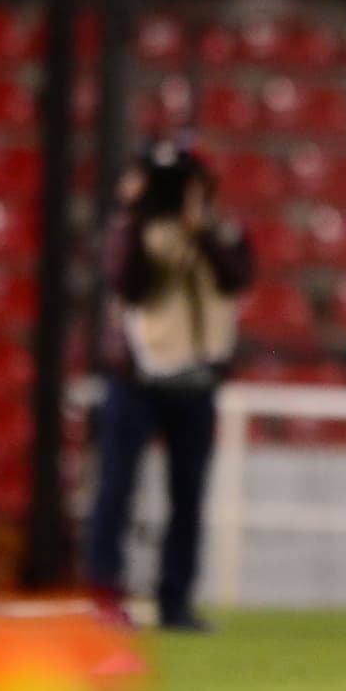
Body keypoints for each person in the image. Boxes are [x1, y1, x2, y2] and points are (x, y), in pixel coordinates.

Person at [85, 137, 254, 632]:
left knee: (188, 495)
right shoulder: (132, 230)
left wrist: (200, 232)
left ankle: (174, 600)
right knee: (116, 487)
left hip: (198, 381)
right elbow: (129, 285)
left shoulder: (222, 231)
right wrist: (140, 217)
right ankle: (106, 594)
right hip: (137, 376)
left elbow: (236, 277)